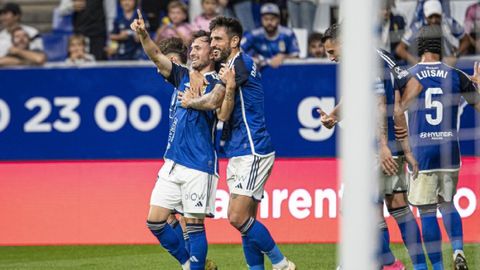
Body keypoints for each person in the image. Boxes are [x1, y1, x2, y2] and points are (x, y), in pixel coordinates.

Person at [179, 16, 296, 270]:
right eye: (211, 40)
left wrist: (189, 102)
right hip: (239, 148)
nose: (213, 44)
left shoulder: (240, 64)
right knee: (247, 221)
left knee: (237, 217)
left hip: (252, 148)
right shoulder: (231, 65)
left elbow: (214, 104)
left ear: (235, 41)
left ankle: (282, 263)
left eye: (218, 39)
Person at [131, 10, 233, 270]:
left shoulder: (218, 80)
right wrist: (143, 34)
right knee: (155, 221)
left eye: (198, 48)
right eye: (191, 48)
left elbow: (215, 104)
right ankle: (189, 264)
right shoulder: (181, 75)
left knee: (195, 225)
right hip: (173, 163)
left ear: (212, 53)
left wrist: (192, 102)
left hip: (199, 165)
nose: (192, 52)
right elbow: (156, 55)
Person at [319, 24, 427, 270]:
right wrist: (334, 116)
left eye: (332, 51)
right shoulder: (379, 55)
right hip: (392, 144)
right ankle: (414, 266)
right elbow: (413, 85)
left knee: (356, 207)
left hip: (377, 147)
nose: (331, 57)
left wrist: (382, 144)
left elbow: (379, 103)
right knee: (395, 205)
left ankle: (387, 263)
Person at [395, 24, 480, 270]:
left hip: (421, 152)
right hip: (450, 152)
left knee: (427, 211)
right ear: (442, 46)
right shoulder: (456, 75)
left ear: (418, 48)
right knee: (448, 203)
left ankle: (439, 268)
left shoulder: (407, 76)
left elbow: (396, 113)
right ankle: (458, 250)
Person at [395, 0, 470, 65]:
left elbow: (466, 40)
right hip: (426, 66)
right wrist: (417, 62)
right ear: (425, 16)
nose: (434, 20)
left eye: (437, 16)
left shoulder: (448, 22)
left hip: (447, 65)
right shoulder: (417, 26)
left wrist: (455, 56)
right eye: (430, 17)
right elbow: (399, 49)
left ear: (441, 14)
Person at [241, 3, 300, 68]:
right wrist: (250, 58)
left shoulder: (288, 34)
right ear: (261, 19)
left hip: (283, 72)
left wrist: (283, 57)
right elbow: (236, 49)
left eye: (272, 19)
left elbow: (296, 56)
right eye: (266, 19)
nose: (269, 22)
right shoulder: (254, 35)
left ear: (278, 19)